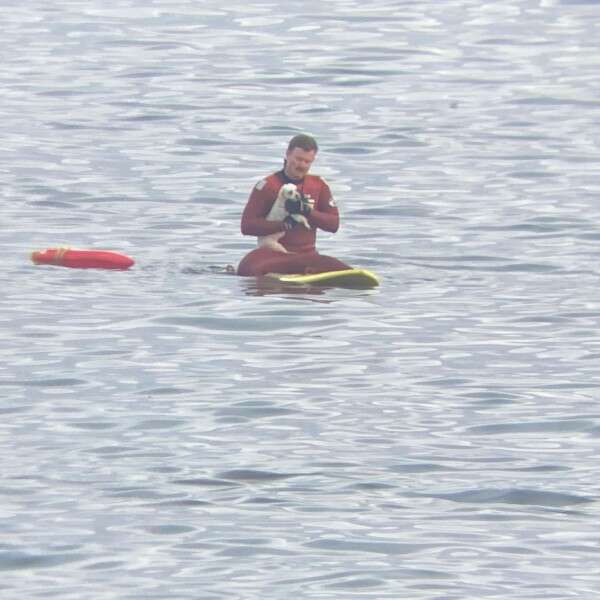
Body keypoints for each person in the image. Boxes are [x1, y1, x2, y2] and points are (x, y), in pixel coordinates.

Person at [237, 134, 352, 276]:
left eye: (307, 162)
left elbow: (333, 225)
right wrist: (284, 224)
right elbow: (247, 226)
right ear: (288, 154)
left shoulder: (318, 185)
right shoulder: (267, 186)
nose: (302, 165)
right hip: (274, 255)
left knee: (324, 263)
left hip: (307, 256)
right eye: (298, 159)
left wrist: (307, 212)